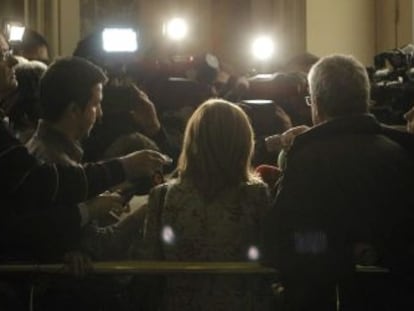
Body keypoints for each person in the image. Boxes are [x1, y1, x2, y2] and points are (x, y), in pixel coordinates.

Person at [0, 31, 168, 262]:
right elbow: (98, 247)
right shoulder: (52, 159)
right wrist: (153, 206)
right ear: (73, 110)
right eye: (95, 104)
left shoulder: (52, 149)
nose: (100, 114)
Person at [263, 54, 414, 310]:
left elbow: (283, 242)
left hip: (325, 297)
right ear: (365, 99)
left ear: (318, 104)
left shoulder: (308, 159)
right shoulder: (401, 153)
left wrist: (341, 251)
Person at [136, 99, 275, 311]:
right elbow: (270, 255)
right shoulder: (255, 195)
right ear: (242, 143)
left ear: (192, 141)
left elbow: (150, 263)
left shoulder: (162, 196)